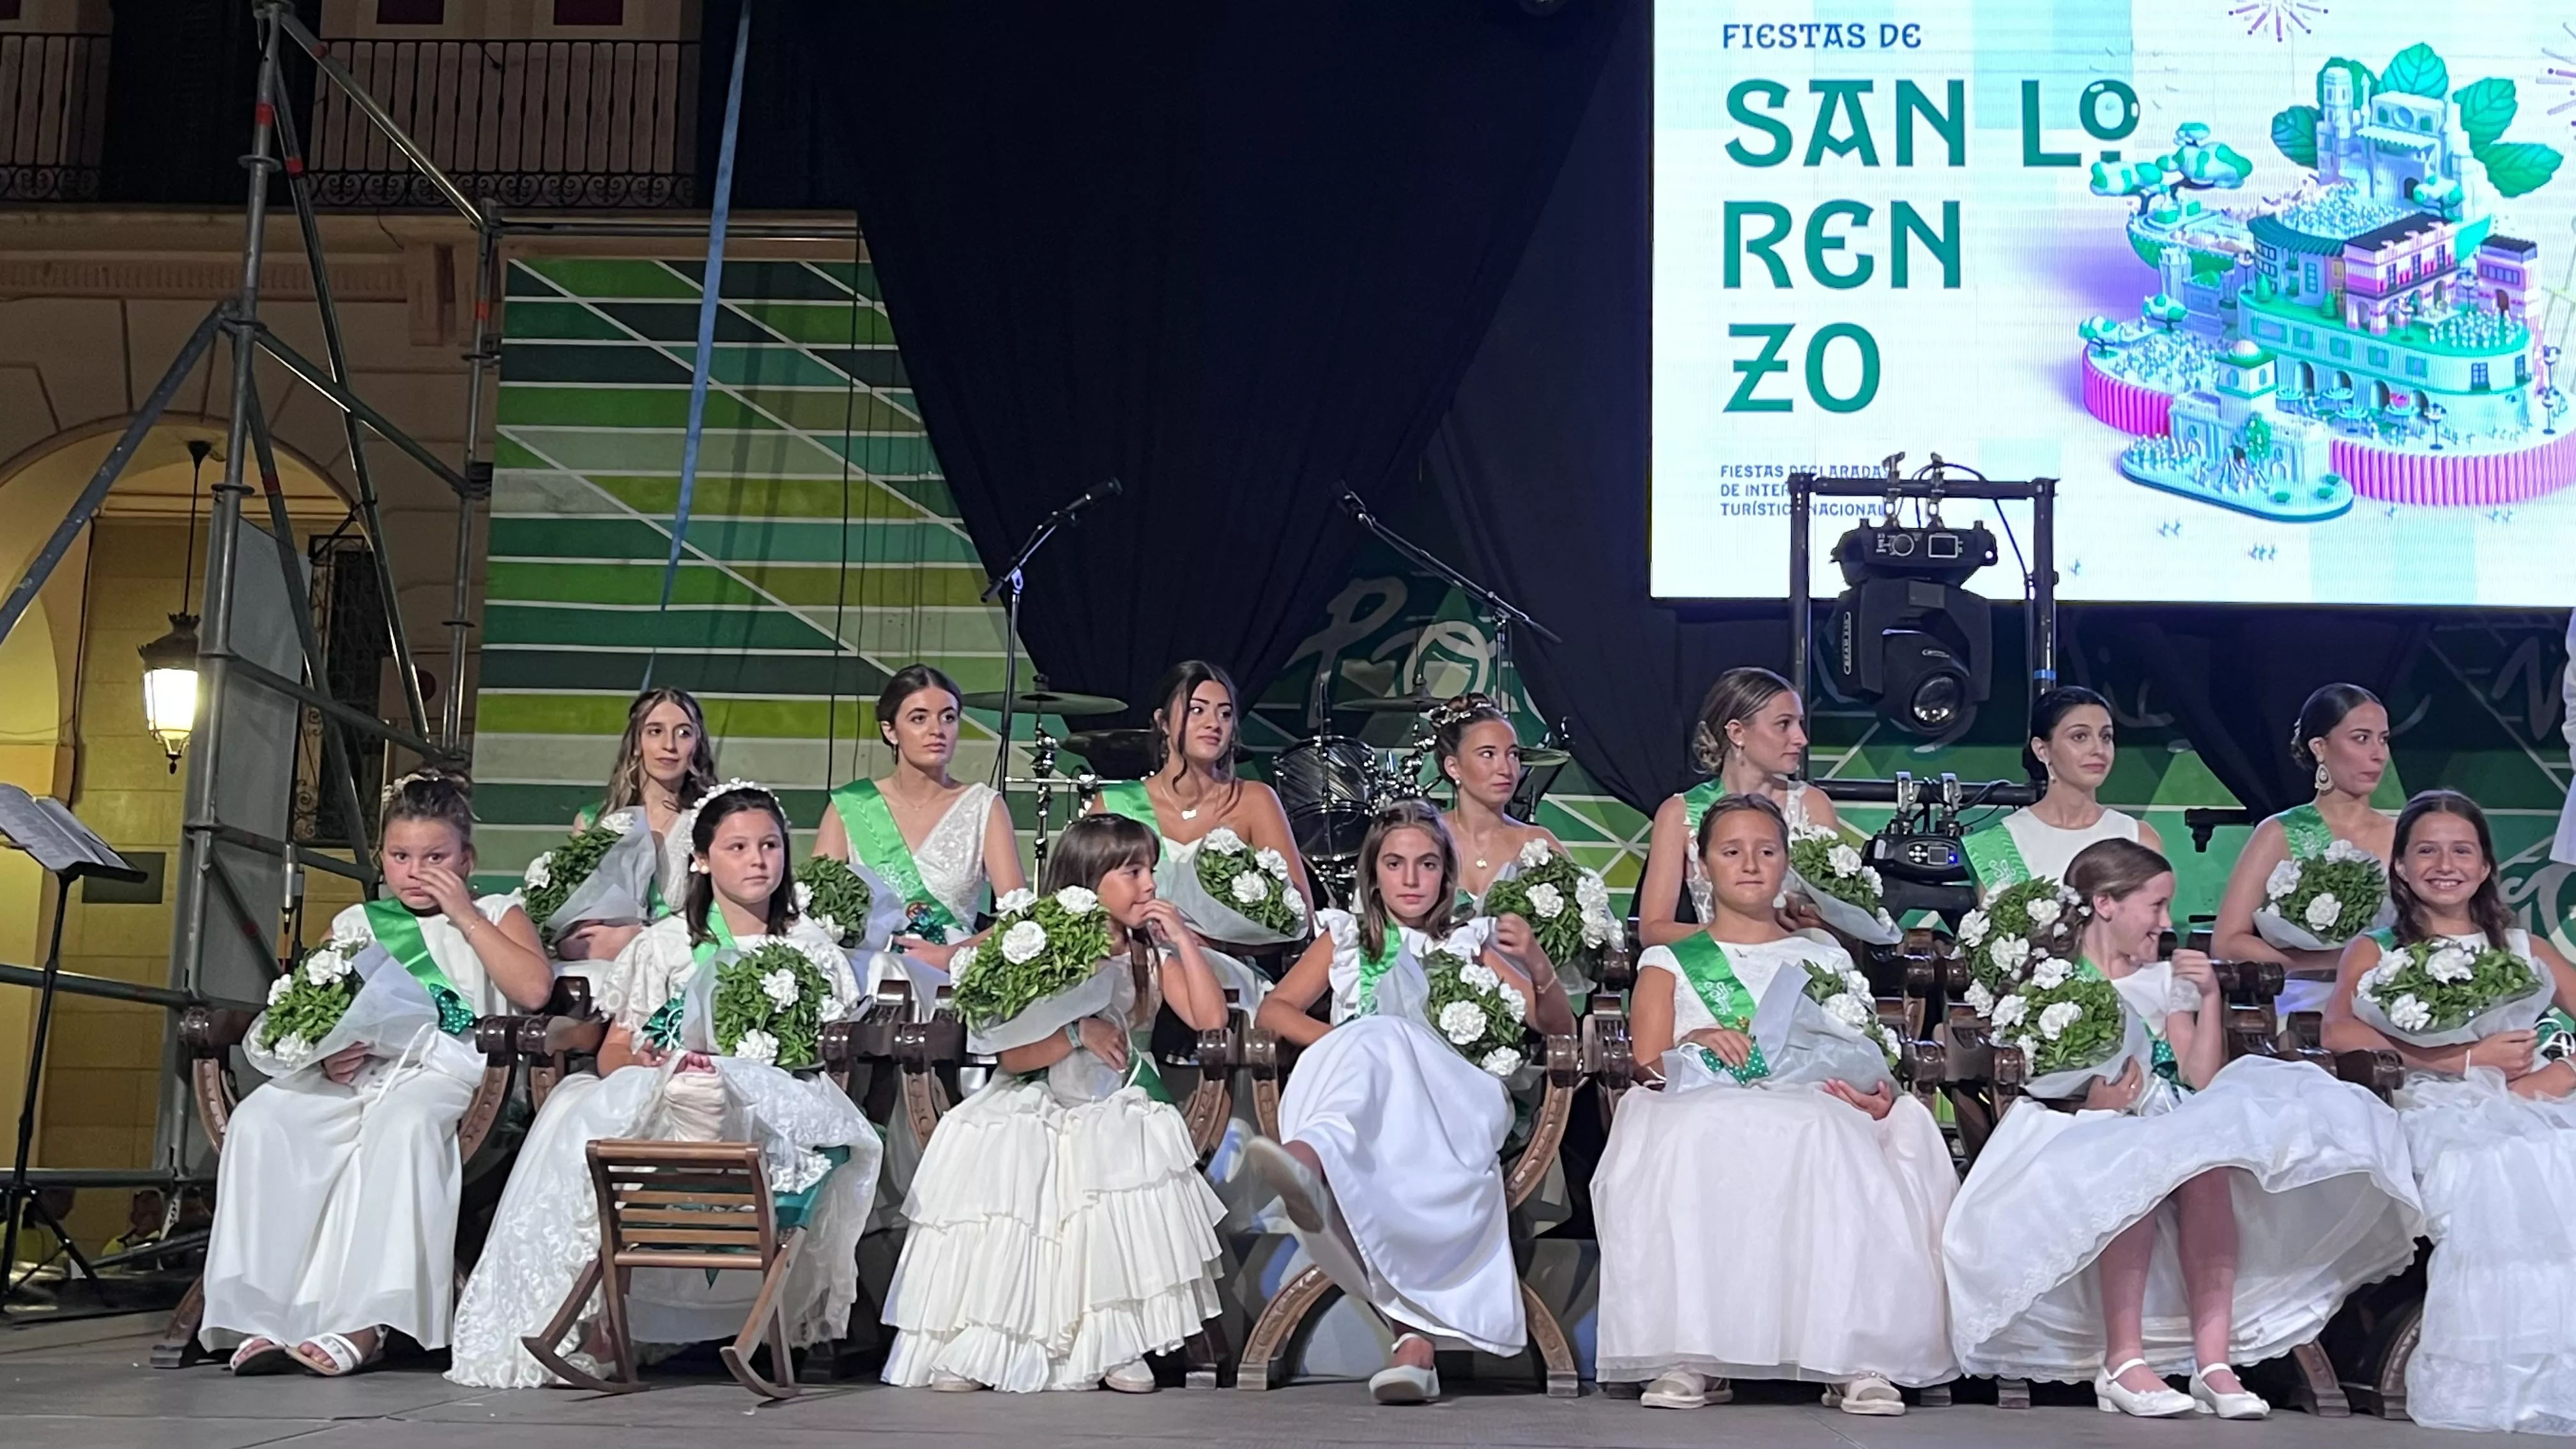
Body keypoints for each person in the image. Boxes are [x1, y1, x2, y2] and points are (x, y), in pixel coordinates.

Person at [1945, 838, 2421, 1418]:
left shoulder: (2161, 980)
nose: (2166, 923)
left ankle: (2214, 1363)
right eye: (2156, 905)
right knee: (2136, 1168)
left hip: (2166, 1112)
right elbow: (2036, 1069)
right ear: (2106, 905)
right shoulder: (2054, 982)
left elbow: (2198, 1074)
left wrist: (2210, 997)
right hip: (2084, 1125)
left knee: (2208, 1165)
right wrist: (2090, 1099)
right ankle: (2124, 1362)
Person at [445, 782, 880, 1388]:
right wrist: (645, 1062)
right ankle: (594, 1324)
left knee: (716, 1085)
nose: (758, 860)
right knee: (600, 1109)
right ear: (702, 858)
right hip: (666, 1090)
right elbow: (614, 1052)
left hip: (773, 1097)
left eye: (770, 846)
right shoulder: (666, 944)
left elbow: (825, 1054)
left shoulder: (810, 947)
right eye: (737, 847)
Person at [1595, 793, 1955, 1413]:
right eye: (1732, 852)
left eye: (1766, 851)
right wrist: (1696, 1038)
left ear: (1787, 862)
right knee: (1703, 1130)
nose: (1751, 865)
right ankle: (1695, 1352)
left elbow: (1864, 1053)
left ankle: (1851, 1355)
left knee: (1827, 1130)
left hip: (1808, 1103)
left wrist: (1875, 1095)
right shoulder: (1672, 959)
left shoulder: (1823, 956)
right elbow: (1646, 1063)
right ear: (1702, 867)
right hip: (1699, 1100)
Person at [204, 772, 553, 1376]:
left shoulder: (497, 911)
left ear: (467, 858)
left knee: (401, 1123)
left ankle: (369, 1319)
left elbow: (533, 988)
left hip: (456, 1074)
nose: (416, 871)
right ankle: (267, 1311)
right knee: (264, 1119)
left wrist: (465, 915)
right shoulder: (356, 925)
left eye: (436, 857)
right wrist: (324, 1052)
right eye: (400, 856)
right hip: (360, 1073)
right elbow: (317, 1012)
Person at [882, 814, 1232, 1393]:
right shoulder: (1042, 948)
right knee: (1008, 1149)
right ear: (1087, 881)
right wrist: (1074, 1034)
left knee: (1107, 1159)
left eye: (1150, 870)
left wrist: (1183, 941)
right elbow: (1013, 1058)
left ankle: (1112, 1337)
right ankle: (988, 1338)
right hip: (1040, 1086)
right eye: (1131, 872)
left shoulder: (1146, 957)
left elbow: (1211, 1019)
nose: (1148, 884)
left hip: (1116, 1095)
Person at [1245, 801, 1576, 1405]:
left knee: (1387, 1036)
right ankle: (1416, 1348)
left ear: (1447, 877)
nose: (1411, 878)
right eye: (1395, 864)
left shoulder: (1471, 942)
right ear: (1373, 875)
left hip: (1453, 1102)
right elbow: (1274, 1011)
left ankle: (1307, 1158)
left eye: (1427, 865)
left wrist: (1535, 962)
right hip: (1368, 1109)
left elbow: (1556, 1029)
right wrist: (1350, 1040)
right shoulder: (1348, 940)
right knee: (1377, 1040)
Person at [2322, 790, 2576, 1435]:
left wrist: (2562, 1072)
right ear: (2402, 867)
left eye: (2462, 850)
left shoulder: (2526, 948)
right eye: (2426, 851)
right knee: (2492, 1164)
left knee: (2552, 1153)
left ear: (2487, 866)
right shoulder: (2378, 951)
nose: (2445, 864)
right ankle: (2491, 1379)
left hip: (2532, 1098)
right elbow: (2339, 1033)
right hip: (2429, 1100)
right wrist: (2455, 1060)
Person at [815, 665, 1024, 983]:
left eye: (948, 717)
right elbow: (816, 909)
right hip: (866, 982)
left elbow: (1019, 917)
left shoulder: (984, 806)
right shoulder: (851, 806)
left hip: (952, 982)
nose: (936, 730)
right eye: (919, 718)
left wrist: (951, 955)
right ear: (890, 730)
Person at [1089, 659, 1310, 943]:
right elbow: (1084, 909)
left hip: (1227, 972)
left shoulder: (1255, 800)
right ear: (1163, 722)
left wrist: (1207, 944)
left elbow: (1297, 916)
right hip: (1136, 971)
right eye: (1197, 710)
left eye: (1225, 714)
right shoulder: (1115, 804)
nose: (1213, 724)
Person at [2214, 684, 2394, 1016]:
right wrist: (2313, 963)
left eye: (2383, 739)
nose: (2378, 754)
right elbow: (2227, 941)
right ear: (2320, 747)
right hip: (2307, 999)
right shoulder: (2280, 832)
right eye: (2361, 738)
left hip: (2390, 997)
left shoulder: (2402, 835)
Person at [1638, 668, 1844, 947]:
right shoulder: (1679, 814)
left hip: (1798, 967)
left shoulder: (1813, 805)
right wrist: (1738, 935)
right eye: (1784, 724)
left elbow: (1841, 921)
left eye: (1800, 724)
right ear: (1737, 732)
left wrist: (1816, 923)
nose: (1801, 739)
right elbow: (1653, 931)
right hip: (1717, 976)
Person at [558, 687, 720, 963]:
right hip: (608, 964)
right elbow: (576, 924)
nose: (669, 745)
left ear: (697, 745)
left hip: (688, 957)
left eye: (683, 733)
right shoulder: (593, 822)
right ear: (636, 743)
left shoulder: (714, 821)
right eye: (655, 731)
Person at [1965, 686, 2161, 892]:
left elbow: (2153, 920)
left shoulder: (2138, 838)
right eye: (2080, 737)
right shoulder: (2000, 844)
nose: (2099, 750)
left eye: (2105, 737)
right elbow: (1997, 922)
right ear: (2042, 750)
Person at [1433, 693, 1565, 908]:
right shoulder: (1425, 839)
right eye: (1488, 754)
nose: (1506, 769)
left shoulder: (1537, 843)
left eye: (1513, 755)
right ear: (1453, 767)